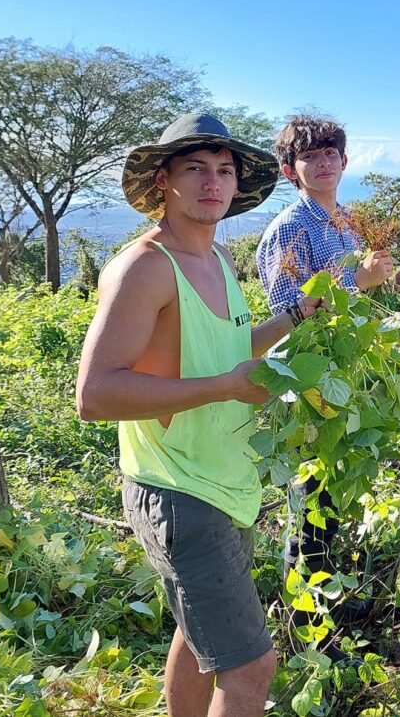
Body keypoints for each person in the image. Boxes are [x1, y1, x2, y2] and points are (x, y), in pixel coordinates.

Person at [77, 112, 322, 717]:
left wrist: (296, 316)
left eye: (224, 170)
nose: (213, 182)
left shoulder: (215, 261)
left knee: (197, 638)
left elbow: (230, 350)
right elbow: (95, 395)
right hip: (178, 490)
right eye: (195, 169)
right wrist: (222, 388)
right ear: (164, 180)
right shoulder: (146, 267)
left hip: (226, 484)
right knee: (251, 671)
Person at [256, 114, 400, 630]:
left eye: (330, 153)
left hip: (348, 372)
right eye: (310, 156)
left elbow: (361, 301)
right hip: (308, 380)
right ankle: (305, 613)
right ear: (291, 170)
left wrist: (396, 283)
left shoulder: (349, 221)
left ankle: (323, 592)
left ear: (345, 161)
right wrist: (362, 283)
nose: (323, 162)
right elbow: (290, 318)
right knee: (310, 489)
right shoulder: (287, 229)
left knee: (337, 483)